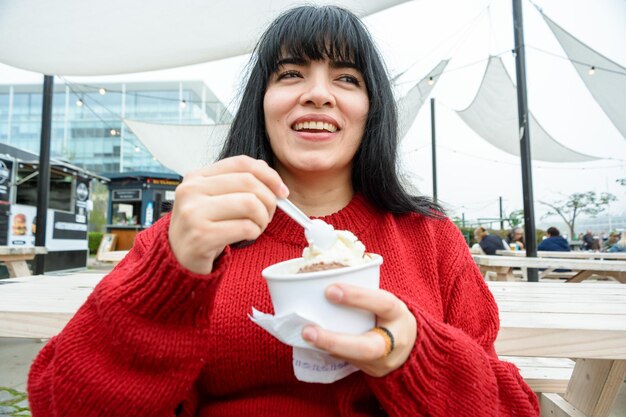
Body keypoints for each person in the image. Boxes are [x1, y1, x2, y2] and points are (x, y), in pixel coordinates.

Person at [27, 6, 538, 416]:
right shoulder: (193, 236)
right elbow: (61, 403)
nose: (317, 94)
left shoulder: (428, 237)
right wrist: (169, 271)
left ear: (372, 111)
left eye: (347, 79)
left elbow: (510, 407)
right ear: (262, 103)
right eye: (291, 73)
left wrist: (413, 354)